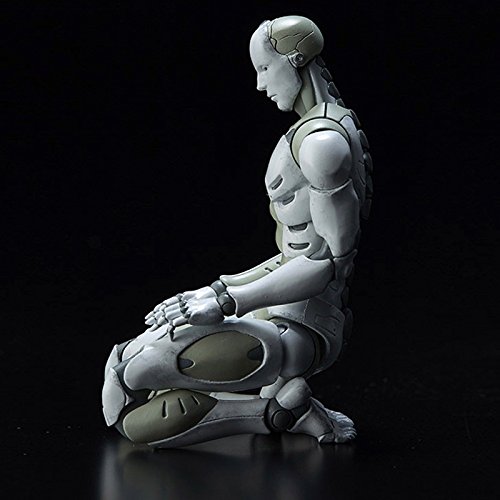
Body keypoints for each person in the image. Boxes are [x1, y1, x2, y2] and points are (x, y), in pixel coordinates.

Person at [102, 15, 372, 448]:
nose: (261, 84)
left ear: (295, 60)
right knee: (122, 379)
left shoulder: (323, 145)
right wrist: (215, 291)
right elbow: (295, 253)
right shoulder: (322, 128)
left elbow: (324, 265)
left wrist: (228, 300)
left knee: (133, 379)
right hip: (277, 309)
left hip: (303, 329)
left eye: (265, 68)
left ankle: (277, 413)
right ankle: (284, 410)